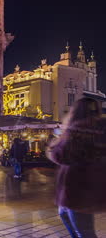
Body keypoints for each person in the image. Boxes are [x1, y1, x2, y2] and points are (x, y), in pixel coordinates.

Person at [48, 98, 106, 237]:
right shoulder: (101, 128)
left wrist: (56, 141)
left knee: (84, 232)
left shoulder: (77, 130)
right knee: (69, 218)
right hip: (87, 188)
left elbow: (59, 155)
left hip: (77, 191)